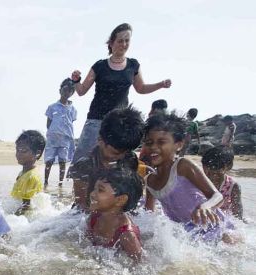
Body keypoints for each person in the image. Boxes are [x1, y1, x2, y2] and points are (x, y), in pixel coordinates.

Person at [70, 23, 172, 163]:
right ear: (111, 43)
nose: (124, 44)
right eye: (120, 41)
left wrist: (160, 85)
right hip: (96, 120)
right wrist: (76, 80)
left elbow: (140, 88)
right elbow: (81, 91)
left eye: (127, 41)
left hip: (120, 123)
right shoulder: (99, 66)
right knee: (83, 161)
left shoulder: (133, 65)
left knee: (117, 163)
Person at [142, 113, 233, 242]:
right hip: (187, 233)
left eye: (161, 142)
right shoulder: (150, 181)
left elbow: (217, 196)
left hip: (213, 226)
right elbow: (148, 215)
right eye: (149, 142)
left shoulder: (182, 166)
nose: (153, 147)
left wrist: (206, 207)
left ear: (179, 145)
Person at [68, 106, 145, 212]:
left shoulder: (130, 160)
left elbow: (131, 197)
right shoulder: (83, 167)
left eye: (126, 152)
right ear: (100, 140)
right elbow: (81, 205)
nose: (121, 157)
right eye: (116, 153)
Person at [87, 168, 143, 261]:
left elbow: (140, 266)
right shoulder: (94, 218)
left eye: (100, 190)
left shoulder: (127, 235)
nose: (92, 194)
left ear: (120, 200)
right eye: (94, 188)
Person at [44, 78, 78, 188]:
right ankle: (45, 181)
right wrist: (53, 132)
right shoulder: (52, 107)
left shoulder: (73, 109)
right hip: (53, 138)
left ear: (72, 93)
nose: (66, 92)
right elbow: (48, 123)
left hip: (66, 139)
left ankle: (60, 183)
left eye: (69, 91)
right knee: (49, 160)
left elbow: (70, 122)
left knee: (63, 161)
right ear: (60, 90)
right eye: (64, 90)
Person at [201, 146, 242, 220]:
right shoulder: (199, 181)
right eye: (206, 172)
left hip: (223, 221)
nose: (209, 177)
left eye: (214, 173)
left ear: (228, 166)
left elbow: (238, 216)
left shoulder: (233, 186)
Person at [12, 130, 46, 215]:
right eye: (17, 150)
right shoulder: (23, 173)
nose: (18, 154)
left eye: (23, 151)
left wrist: (12, 218)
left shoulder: (31, 177)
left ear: (37, 153)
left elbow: (26, 205)